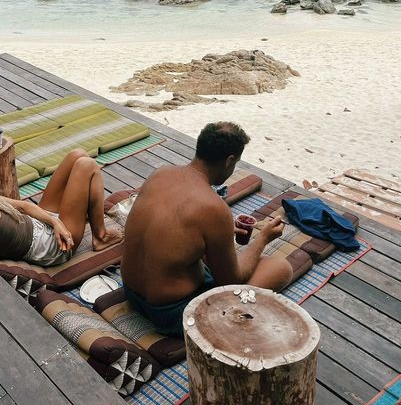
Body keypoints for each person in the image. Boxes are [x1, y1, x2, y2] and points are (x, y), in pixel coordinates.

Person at [121, 121, 293, 337]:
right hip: (172, 314)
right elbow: (232, 281)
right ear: (229, 160)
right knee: (280, 267)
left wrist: (220, 232)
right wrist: (263, 238)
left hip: (132, 293)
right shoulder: (214, 208)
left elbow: (174, 230)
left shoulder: (160, 174)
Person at [0, 149, 122, 267]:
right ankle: (100, 236)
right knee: (87, 165)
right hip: (54, 248)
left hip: (42, 223)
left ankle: (78, 213)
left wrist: (55, 222)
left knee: (78, 155)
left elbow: (23, 206)